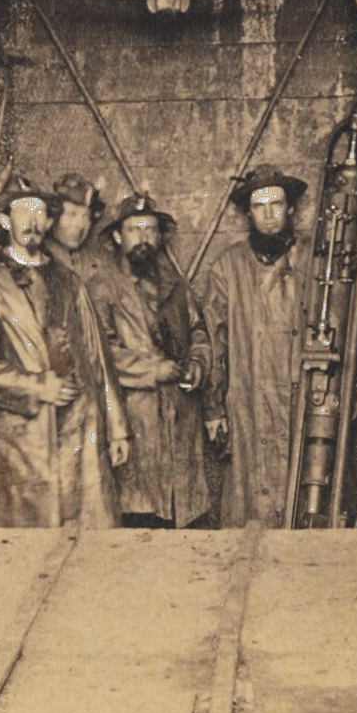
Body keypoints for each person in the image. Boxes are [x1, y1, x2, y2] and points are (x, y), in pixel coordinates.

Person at [0, 175, 129, 527]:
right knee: (21, 551)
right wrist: (36, 386)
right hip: (18, 445)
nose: (32, 221)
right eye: (23, 211)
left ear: (49, 222)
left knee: (84, 547)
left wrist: (117, 426)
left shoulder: (69, 282)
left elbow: (98, 357)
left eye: (40, 212)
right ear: (6, 221)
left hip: (77, 435)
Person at [92, 192, 214, 529]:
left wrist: (198, 366)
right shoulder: (102, 288)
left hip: (180, 418)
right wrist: (152, 370)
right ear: (118, 236)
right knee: (140, 517)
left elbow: (199, 331)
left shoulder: (176, 285)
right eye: (134, 229)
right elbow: (100, 354)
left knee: (182, 519)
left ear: (159, 236)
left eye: (150, 229)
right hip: (136, 418)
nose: (143, 237)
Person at [201, 166, 309, 528]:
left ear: (290, 208)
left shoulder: (312, 260)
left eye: (277, 204)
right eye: (259, 206)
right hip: (246, 400)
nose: (269, 214)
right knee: (249, 504)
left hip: (300, 398)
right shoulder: (228, 266)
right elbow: (214, 340)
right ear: (248, 212)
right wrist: (214, 407)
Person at [45, 171, 109, 283]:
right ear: (53, 218)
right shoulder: (43, 263)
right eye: (71, 214)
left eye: (86, 217)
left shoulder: (95, 264)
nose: (80, 226)